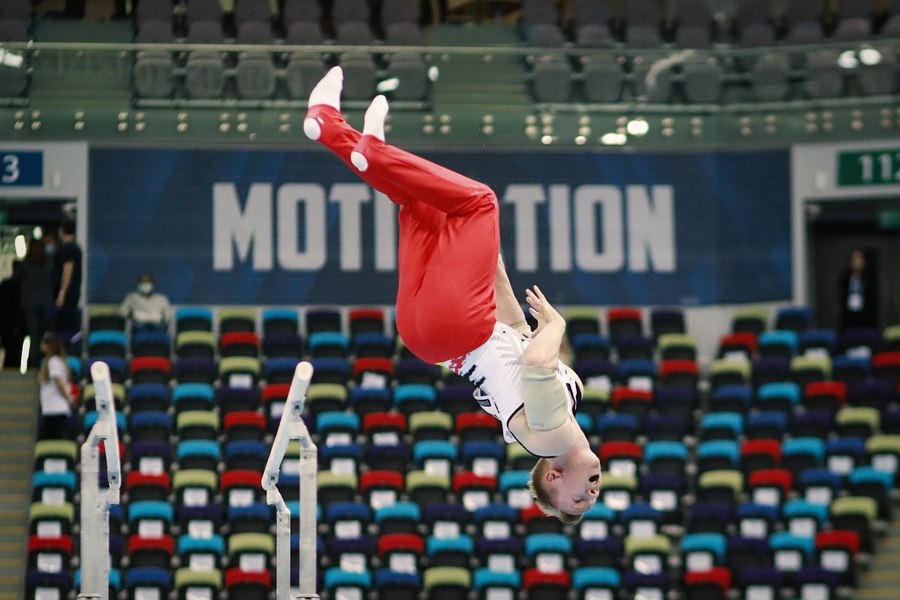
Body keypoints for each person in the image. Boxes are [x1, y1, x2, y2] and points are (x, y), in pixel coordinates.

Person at [304, 67, 600, 523]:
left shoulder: (553, 438)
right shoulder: (568, 400)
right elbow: (515, 327)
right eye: (592, 499)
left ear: (554, 477)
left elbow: (538, 360)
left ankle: (374, 152)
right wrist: (485, 256)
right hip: (430, 337)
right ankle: (328, 126)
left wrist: (555, 326)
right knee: (421, 202)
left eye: (579, 500)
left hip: (459, 329)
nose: (593, 494)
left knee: (480, 201)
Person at [19, 238, 55, 367]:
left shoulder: (25, 263)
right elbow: (54, 280)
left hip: (29, 303)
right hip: (45, 302)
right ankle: (45, 362)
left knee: (33, 335)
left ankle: (33, 362)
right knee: (45, 334)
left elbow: (18, 280)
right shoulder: (48, 263)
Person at [37, 333, 74, 440]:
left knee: (53, 439)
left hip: (55, 407)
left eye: (43, 344)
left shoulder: (53, 361)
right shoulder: (56, 361)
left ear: (49, 346)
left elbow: (58, 382)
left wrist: (68, 397)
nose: (41, 347)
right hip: (53, 407)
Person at [53, 219, 83, 334]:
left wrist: (62, 293)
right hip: (72, 291)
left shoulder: (68, 249)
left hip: (68, 293)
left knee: (64, 324)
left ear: (62, 231)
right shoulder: (76, 248)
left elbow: (67, 272)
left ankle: (66, 342)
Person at [838, 248, 879, 331]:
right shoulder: (845, 277)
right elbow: (841, 295)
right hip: (849, 316)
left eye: (860, 259)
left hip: (866, 316)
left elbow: (873, 296)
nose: (858, 262)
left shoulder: (870, 277)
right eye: (855, 259)